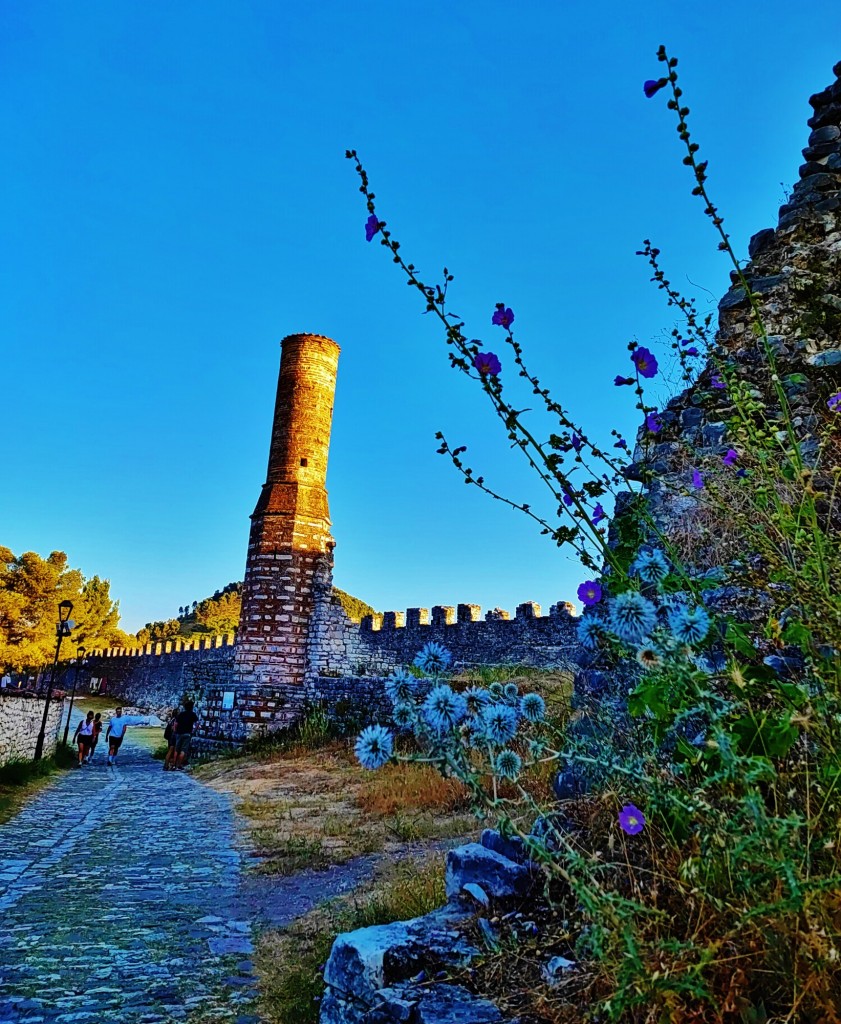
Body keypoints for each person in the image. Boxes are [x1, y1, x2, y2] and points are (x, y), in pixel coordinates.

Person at [173, 699, 199, 769]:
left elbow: (176, 723)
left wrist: (175, 731)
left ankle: (173, 764)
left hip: (179, 733)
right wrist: (194, 731)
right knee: (183, 750)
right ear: (192, 707)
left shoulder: (181, 714)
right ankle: (179, 765)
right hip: (187, 733)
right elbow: (197, 723)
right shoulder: (193, 714)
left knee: (176, 749)